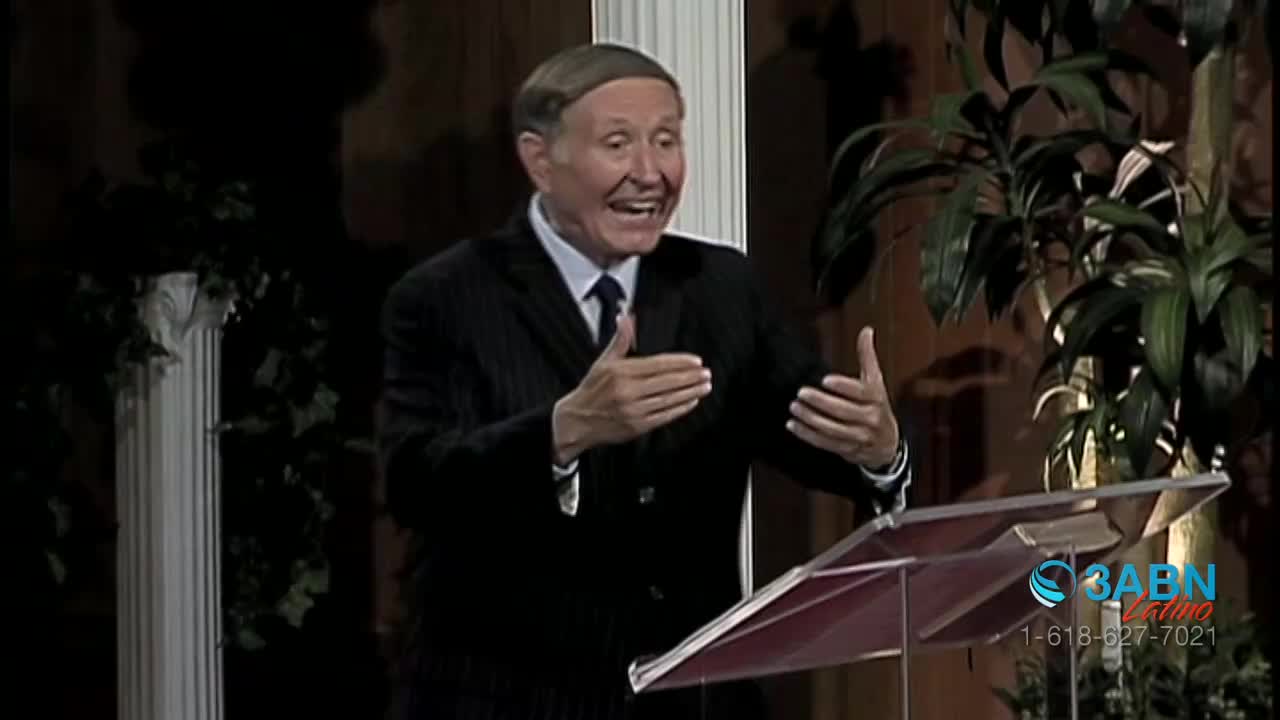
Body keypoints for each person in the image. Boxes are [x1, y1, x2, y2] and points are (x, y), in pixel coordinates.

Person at [378, 42, 912, 720]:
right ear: (541, 160)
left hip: (696, 701)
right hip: (512, 700)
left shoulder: (721, 288)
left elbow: (813, 427)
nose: (650, 172)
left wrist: (878, 450)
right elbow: (416, 482)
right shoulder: (445, 297)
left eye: (666, 140)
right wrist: (559, 435)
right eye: (618, 143)